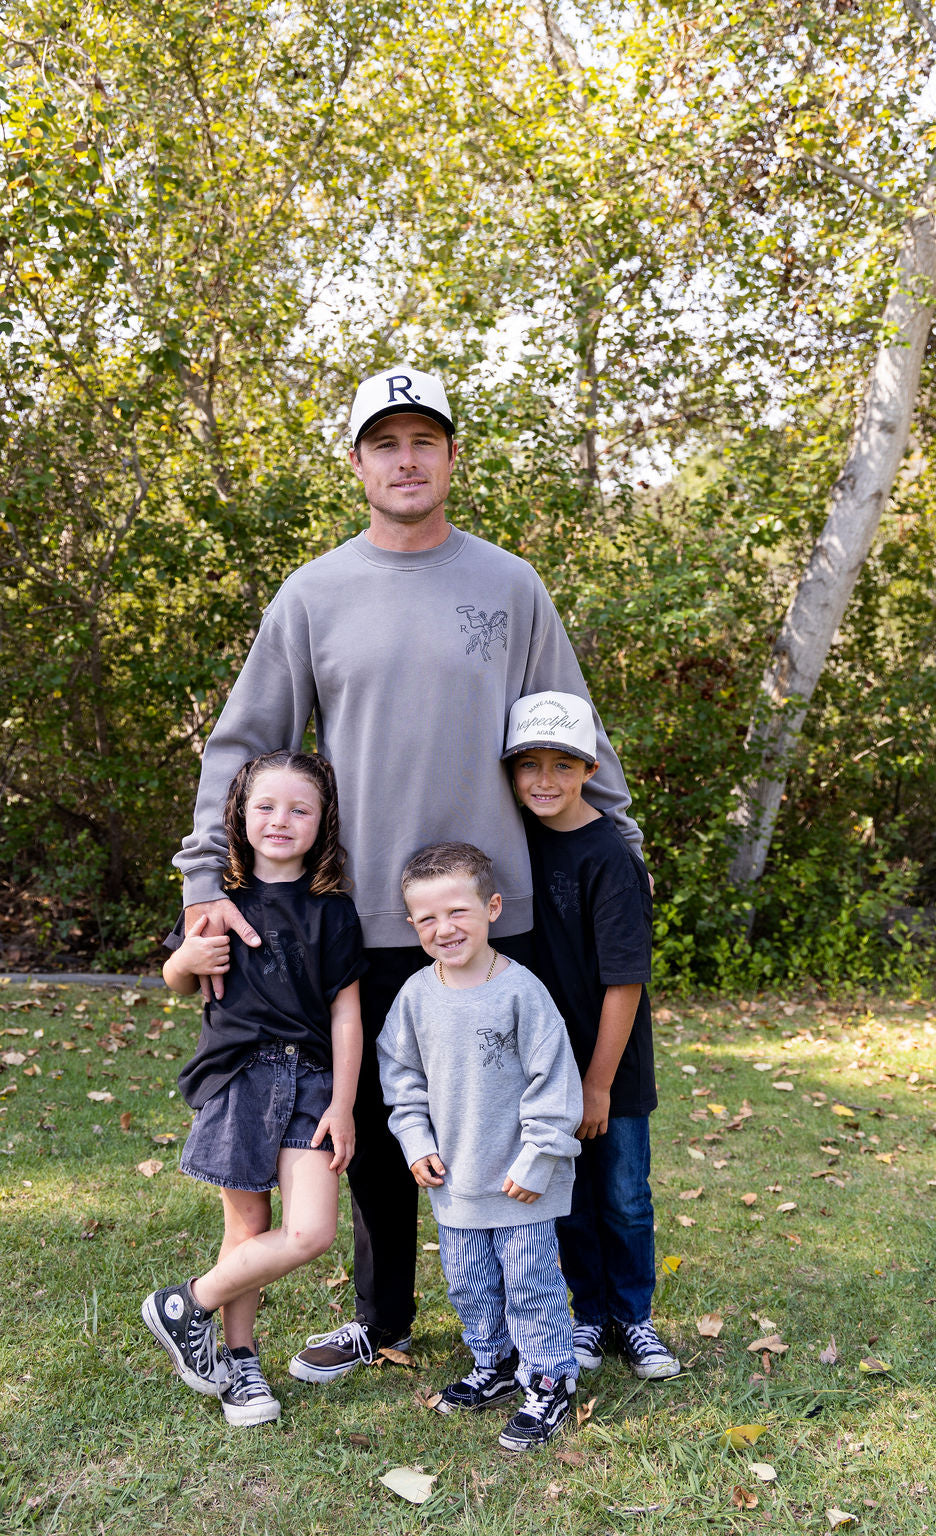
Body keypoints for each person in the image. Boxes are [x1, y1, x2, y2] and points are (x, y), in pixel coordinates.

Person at [173, 364, 645, 1380]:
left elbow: (570, 728)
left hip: (494, 913)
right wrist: (203, 883)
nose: (405, 459)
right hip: (362, 915)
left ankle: (556, 1319)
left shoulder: (509, 584)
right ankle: (380, 1321)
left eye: (422, 440)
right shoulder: (315, 593)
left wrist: (621, 849)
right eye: (384, 443)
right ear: (357, 463)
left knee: (524, 1115)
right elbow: (244, 744)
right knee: (382, 1134)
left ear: (451, 457)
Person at [142, 751, 365, 1426]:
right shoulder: (216, 903)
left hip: (312, 1083)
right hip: (240, 1075)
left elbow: (347, 1012)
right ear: (239, 813)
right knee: (248, 1226)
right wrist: (185, 959)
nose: (280, 820)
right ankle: (240, 1362)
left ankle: (186, 1303)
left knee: (311, 1232)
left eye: (300, 808)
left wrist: (344, 1102)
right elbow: (176, 980)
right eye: (265, 805)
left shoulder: (334, 911)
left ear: (322, 821)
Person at [377, 842, 583, 1452]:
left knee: (529, 1280)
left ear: (492, 907)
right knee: (467, 1281)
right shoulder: (415, 996)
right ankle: (493, 1363)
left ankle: (549, 1381)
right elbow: (401, 1078)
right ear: (412, 925)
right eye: (428, 918)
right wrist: (415, 1142)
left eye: (458, 912)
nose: (445, 929)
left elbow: (555, 1080)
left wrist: (539, 1159)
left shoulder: (522, 991)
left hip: (521, 1177)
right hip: (455, 1178)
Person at [503, 692, 680, 1381]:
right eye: (530, 765)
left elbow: (625, 981)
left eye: (562, 764)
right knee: (567, 1200)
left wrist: (598, 1083)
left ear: (590, 768)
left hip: (611, 1066)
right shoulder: (513, 843)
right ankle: (588, 1313)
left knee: (624, 1196)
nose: (544, 780)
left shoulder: (609, 854)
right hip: (544, 1067)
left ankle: (633, 1319)